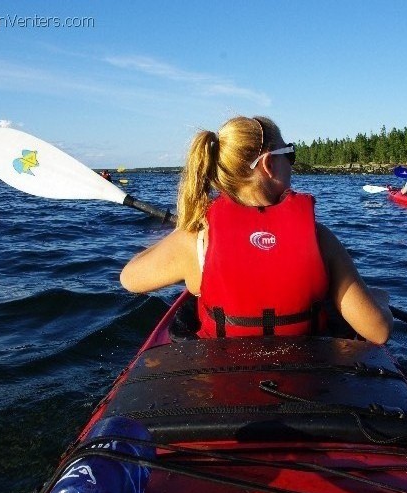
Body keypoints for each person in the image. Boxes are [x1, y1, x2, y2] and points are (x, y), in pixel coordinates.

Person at [120, 116, 392, 344]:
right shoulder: (321, 239)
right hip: (307, 384)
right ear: (269, 164)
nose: (292, 165)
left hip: (221, 388)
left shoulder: (195, 242)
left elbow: (129, 279)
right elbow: (378, 332)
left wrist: (184, 230)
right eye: (291, 154)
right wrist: (380, 301)